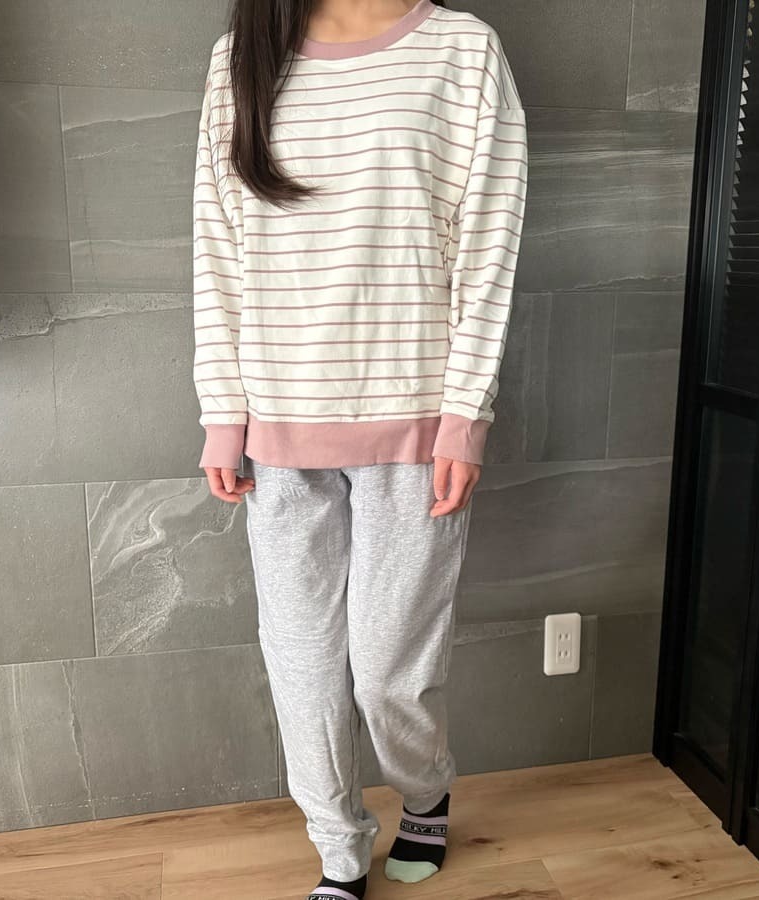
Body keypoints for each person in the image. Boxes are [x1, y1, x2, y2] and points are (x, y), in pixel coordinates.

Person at [191, 1, 527, 897]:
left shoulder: (463, 51)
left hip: (414, 427)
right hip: (276, 429)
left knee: (387, 674)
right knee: (302, 670)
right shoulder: (241, 59)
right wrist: (223, 412)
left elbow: (488, 247)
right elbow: (217, 247)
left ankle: (425, 793)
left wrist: (466, 415)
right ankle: (338, 848)